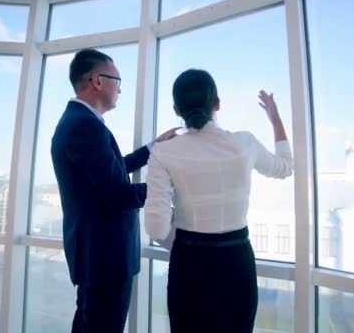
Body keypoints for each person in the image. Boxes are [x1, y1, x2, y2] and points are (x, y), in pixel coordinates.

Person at [144, 69, 294, 332]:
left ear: (176, 109)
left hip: (188, 264)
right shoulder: (244, 143)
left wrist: (188, 246)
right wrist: (275, 119)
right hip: (237, 262)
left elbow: (156, 229)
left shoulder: (163, 152)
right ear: (217, 104)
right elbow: (285, 167)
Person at [51, 49, 178, 333]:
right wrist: (167, 186)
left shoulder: (79, 122)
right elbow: (119, 193)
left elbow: (110, 170)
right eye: (117, 81)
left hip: (97, 257)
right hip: (106, 260)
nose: (120, 90)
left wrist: (152, 148)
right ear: (97, 80)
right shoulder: (86, 126)